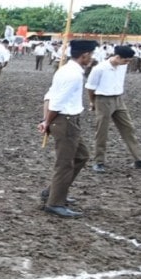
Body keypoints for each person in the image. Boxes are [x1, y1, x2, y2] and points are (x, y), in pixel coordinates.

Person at [38, 39, 97, 219]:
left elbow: (49, 95)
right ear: (84, 55)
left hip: (67, 119)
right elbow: (56, 102)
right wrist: (47, 121)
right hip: (65, 120)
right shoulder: (72, 74)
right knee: (64, 163)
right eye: (91, 55)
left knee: (81, 156)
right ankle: (55, 203)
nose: (92, 58)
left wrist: (47, 119)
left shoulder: (66, 69)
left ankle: (54, 191)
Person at [84, 45, 141, 173]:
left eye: (128, 61)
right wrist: (92, 102)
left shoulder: (122, 66)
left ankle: (140, 159)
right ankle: (99, 161)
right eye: (125, 60)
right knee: (102, 131)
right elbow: (90, 87)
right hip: (103, 99)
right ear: (117, 57)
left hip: (118, 99)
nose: (127, 63)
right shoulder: (100, 68)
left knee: (128, 128)